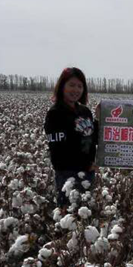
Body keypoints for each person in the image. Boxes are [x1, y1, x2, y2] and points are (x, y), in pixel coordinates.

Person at [44, 67, 98, 206]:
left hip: (88, 172)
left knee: (85, 219)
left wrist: (99, 119)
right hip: (67, 175)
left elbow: (93, 138)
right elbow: (59, 151)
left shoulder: (84, 111)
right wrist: (86, 164)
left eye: (80, 86)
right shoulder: (55, 113)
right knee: (69, 217)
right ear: (62, 86)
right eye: (72, 85)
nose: (76, 90)